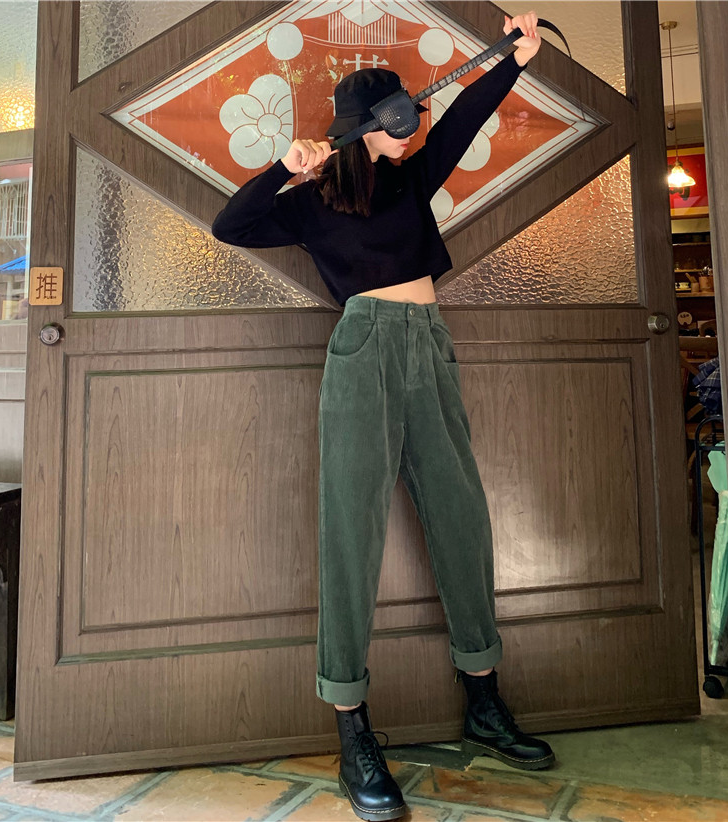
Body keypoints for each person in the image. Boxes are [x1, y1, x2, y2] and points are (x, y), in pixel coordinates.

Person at [212, 12, 555, 821]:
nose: (414, 130)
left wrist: (516, 59)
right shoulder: (310, 202)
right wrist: (282, 165)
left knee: (461, 516)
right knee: (352, 530)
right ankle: (352, 728)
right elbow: (232, 226)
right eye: (399, 119)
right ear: (366, 125)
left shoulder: (411, 177)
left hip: (428, 344)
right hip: (363, 350)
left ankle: (484, 699)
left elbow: (464, 117)